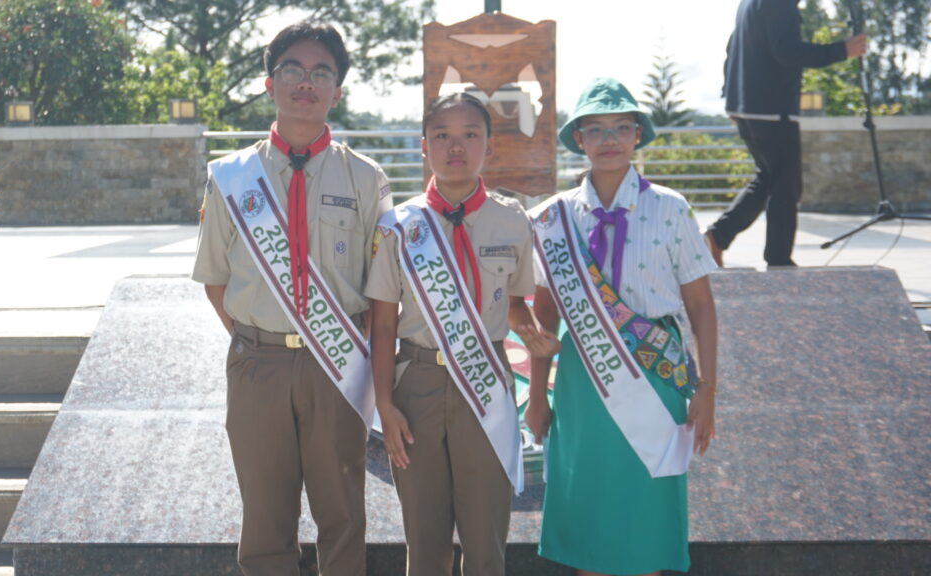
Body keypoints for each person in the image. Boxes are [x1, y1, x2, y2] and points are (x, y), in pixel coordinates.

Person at [192, 21, 393, 576]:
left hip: (339, 369)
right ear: (268, 82)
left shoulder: (366, 179)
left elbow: (382, 290)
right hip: (259, 365)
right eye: (293, 70)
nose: (306, 83)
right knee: (264, 519)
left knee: (344, 515)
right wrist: (262, 344)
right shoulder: (230, 178)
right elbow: (215, 279)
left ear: (338, 90)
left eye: (321, 73)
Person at [524, 78, 719, 575]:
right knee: (590, 497)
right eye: (595, 129)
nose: (608, 139)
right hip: (583, 375)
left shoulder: (671, 208)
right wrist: (539, 395)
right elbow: (544, 315)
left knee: (646, 499)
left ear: (637, 136)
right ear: (579, 140)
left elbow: (701, 307)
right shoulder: (554, 216)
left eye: (620, 127)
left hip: (657, 371)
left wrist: (707, 388)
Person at [365, 92, 559, 576]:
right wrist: (384, 405)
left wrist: (531, 332)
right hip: (416, 387)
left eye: (470, 135)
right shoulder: (397, 226)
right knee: (426, 543)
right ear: (424, 146)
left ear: (489, 147)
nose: (456, 147)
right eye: (442, 136)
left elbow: (515, 308)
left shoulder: (513, 220)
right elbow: (383, 323)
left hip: (486, 385)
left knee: (485, 540)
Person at [706, 0, 867, 267]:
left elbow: (733, 45)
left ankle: (717, 237)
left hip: (749, 106)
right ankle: (779, 261)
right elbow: (788, 52)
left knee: (768, 180)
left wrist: (731, 97)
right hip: (771, 109)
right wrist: (842, 50)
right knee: (785, 186)